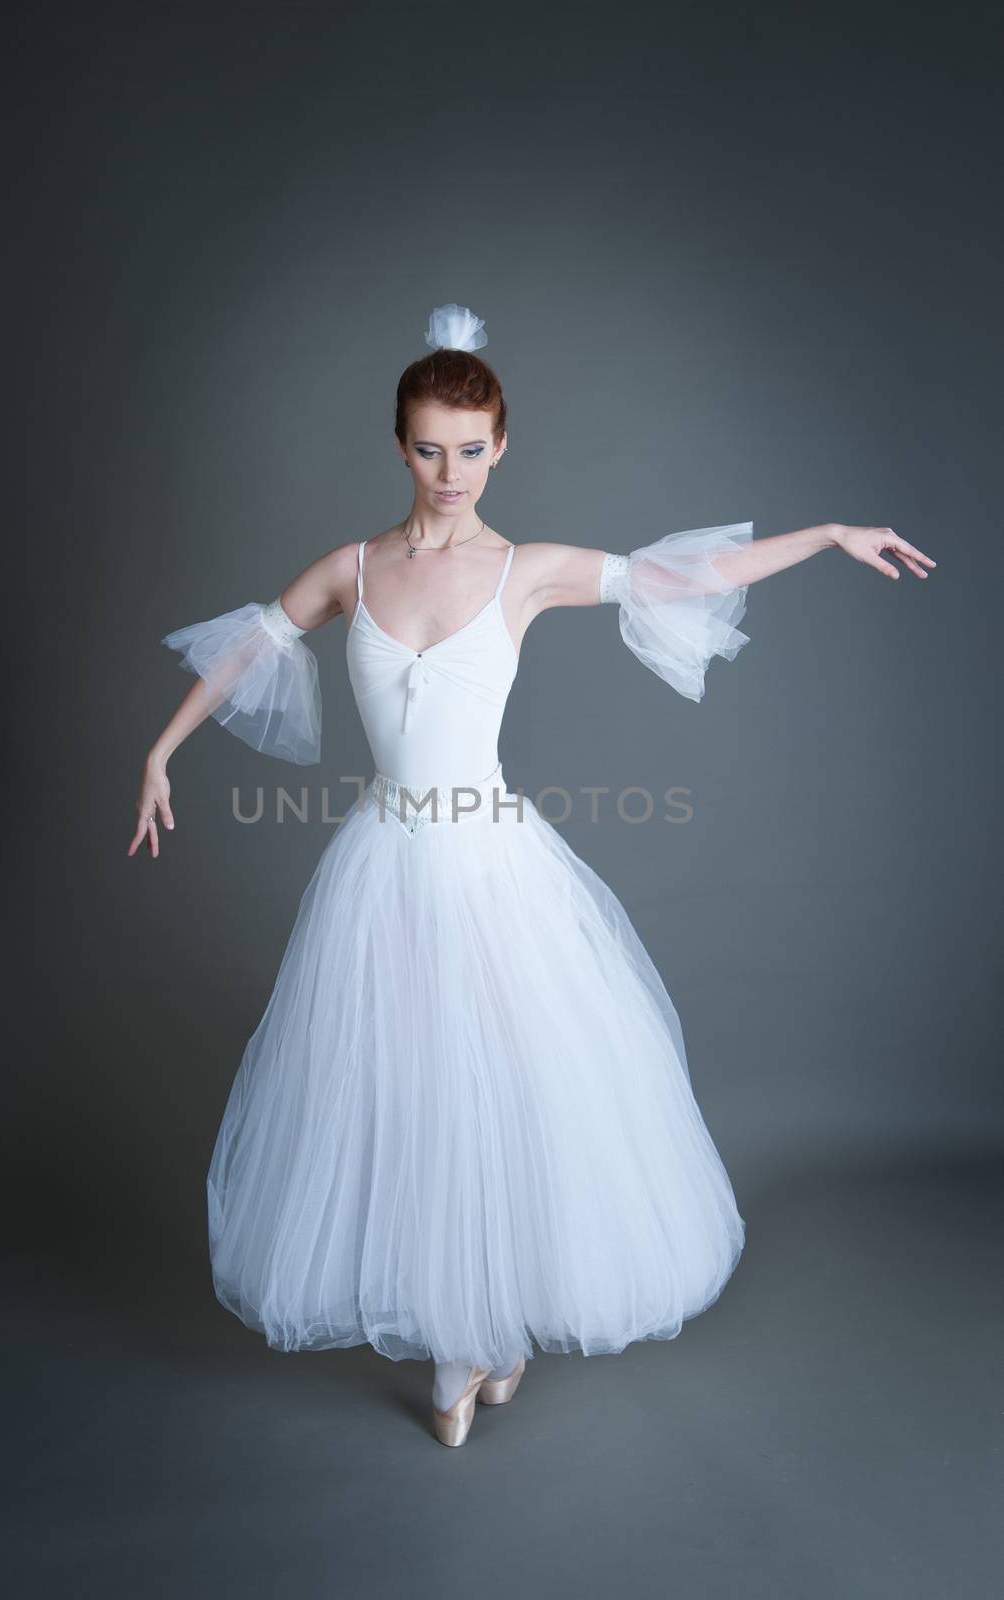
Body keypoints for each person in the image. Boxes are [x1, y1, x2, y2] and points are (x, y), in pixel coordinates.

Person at [128, 303, 936, 1447]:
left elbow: (679, 574)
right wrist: (161, 751)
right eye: (426, 446)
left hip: (490, 866)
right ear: (398, 444)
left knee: (499, 1086)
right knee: (409, 1089)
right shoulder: (351, 571)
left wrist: (823, 533)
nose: (448, 470)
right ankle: (473, 1331)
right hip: (382, 866)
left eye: (469, 448)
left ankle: (476, 1337)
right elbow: (253, 643)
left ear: (500, 446)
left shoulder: (527, 571)